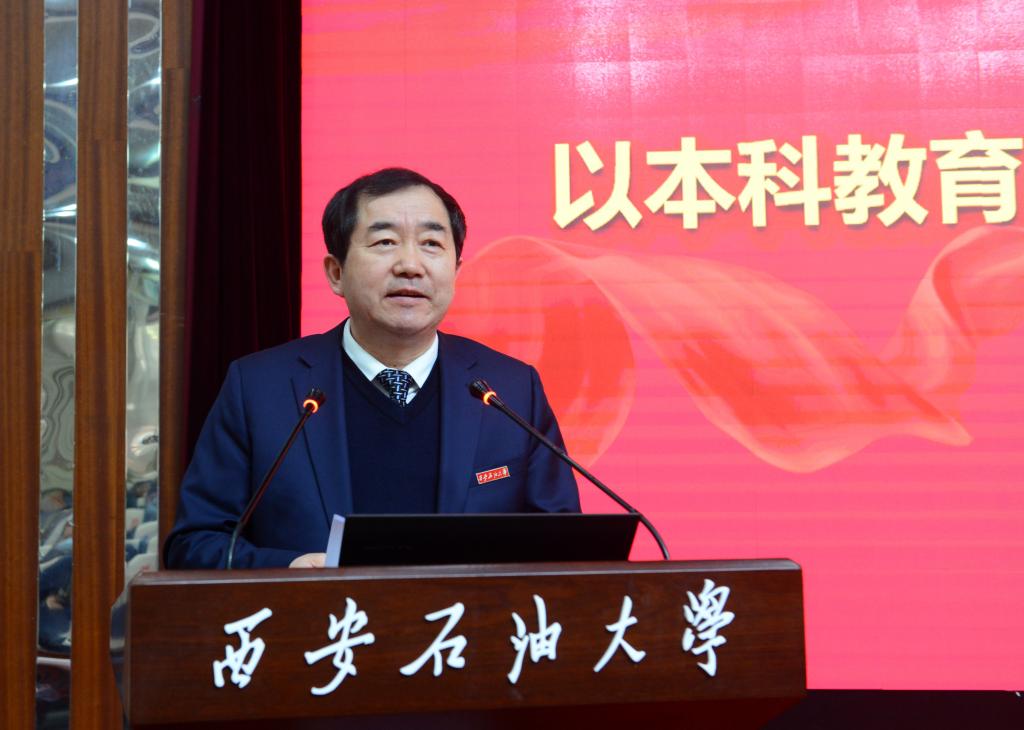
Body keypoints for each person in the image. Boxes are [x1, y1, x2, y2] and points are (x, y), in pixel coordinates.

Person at [164, 168, 580, 569]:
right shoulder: (259, 388)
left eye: (431, 244)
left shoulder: (510, 390)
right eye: (385, 242)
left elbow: (564, 543)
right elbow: (195, 543)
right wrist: (287, 569)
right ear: (336, 273)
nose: (410, 265)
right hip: (320, 617)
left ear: (455, 270)